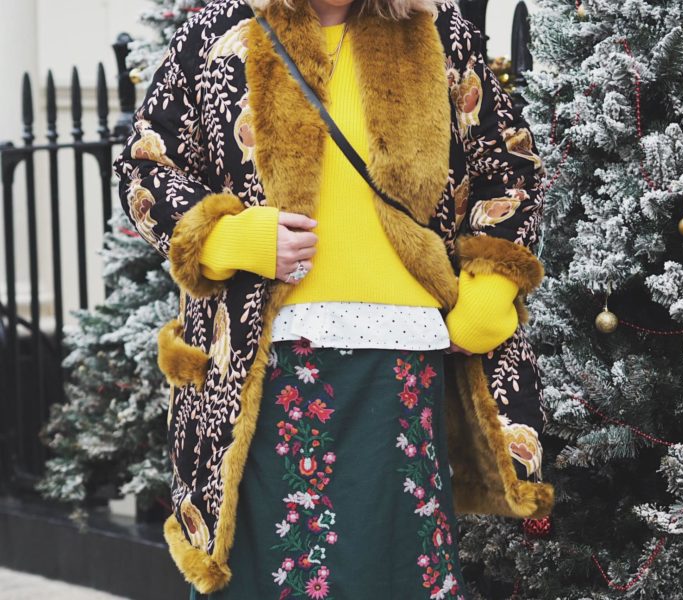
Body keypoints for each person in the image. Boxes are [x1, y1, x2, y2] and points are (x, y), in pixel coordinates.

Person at [113, 0, 553, 597]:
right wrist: (226, 239)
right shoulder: (220, 31)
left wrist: (492, 287)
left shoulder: (434, 27)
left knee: (393, 574)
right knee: (269, 576)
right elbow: (146, 166)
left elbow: (510, 163)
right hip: (260, 372)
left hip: (401, 367)